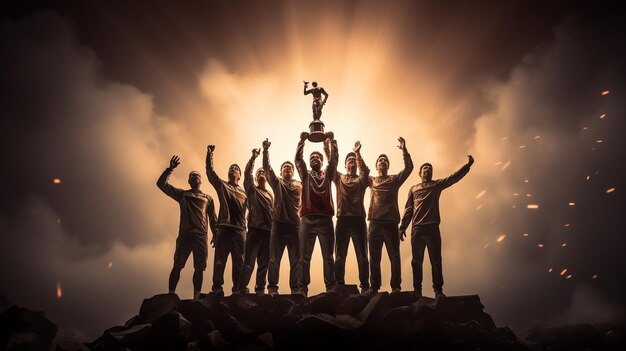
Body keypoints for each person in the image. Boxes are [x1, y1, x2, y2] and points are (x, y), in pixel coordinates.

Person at [399, 155, 474, 298]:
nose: (427, 170)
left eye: (430, 168)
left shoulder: (436, 185)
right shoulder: (413, 189)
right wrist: (402, 227)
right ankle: (417, 290)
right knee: (416, 261)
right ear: (420, 173)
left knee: (436, 260)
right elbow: (408, 209)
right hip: (417, 229)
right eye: (425, 168)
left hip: (432, 228)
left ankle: (438, 290)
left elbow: (453, 178)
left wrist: (467, 166)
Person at [157, 155, 217, 300]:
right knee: (178, 265)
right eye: (192, 176)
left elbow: (213, 218)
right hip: (185, 234)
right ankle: (170, 295)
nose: (195, 178)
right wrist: (170, 169)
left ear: (201, 181)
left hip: (201, 236)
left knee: (199, 268)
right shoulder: (183, 194)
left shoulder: (208, 198)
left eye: (197, 176)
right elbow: (161, 184)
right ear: (188, 181)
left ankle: (196, 297)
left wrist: (216, 234)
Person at [368, 137, 413, 294]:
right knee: (374, 257)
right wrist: (358, 154)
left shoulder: (394, 179)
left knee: (394, 256)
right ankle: (374, 287)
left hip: (390, 223)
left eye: (385, 160)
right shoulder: (371, 180)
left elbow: (408, 168)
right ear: (376, 165)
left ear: (388, 165)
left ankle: (396, 287)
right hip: (374, 222)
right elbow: (361, 172)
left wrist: (404, 151)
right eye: (380, 160)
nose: (383, 162)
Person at [295, 131, 338, 296]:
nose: (314, 159)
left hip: (326, 220)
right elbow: (298, 160)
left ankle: (330, 288)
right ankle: (302, 289)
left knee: (328, 257)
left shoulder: (328, 174)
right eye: (311, 157)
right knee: (304, 258)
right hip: (308, 219)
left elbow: (334, 160)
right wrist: (302, 141)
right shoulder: (305, 175)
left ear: (321, 161)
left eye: (317, 157)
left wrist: (332, 141)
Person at [263, 138, 303, 295]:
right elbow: (267, 168)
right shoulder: (277, 182)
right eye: (284, 167)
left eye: (290, 167)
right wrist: (266, 151)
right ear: (280, 172)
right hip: (278, 225)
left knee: (296, 261)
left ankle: (295, 289)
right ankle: (272, 289)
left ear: (293, 171)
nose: (287, 169)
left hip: (295, 226)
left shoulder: (300, 184)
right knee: (273, 259)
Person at [205, 145, 247, 295]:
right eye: (230, 168)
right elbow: (210, 173)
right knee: (219, 261)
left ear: (240, 175)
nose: (232, 169)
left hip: (240, 231)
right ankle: (217, 288)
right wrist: (210, 154)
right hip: (224, 228)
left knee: (239, 262)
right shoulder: (222, 185)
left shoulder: (245, 192)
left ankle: (238, 289)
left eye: (235, 168)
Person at [332, 141, 371, 294]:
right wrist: (330, 145)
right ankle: (338, 283)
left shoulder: (361, 180)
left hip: (358, 220)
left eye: (354, 160)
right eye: (350, 160)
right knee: (340, 255)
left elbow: (365, 171)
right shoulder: (339, 178)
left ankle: (365, 286)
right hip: (342, 219)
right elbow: (331, 165)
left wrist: (357, 153)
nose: (352, 162)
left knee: (362, 255)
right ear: (345, 165)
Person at [236, 148, 274, 294]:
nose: (261, 174)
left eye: (263, 172)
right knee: (249, 263)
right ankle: (241, 289)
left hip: (268, 233)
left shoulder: (271, 194)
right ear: (256, 177)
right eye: (258, 173)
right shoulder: (252, 190)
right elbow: (247, 174)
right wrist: (253, 158)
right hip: (254, 231)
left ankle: (260, 290)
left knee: (264, 264)